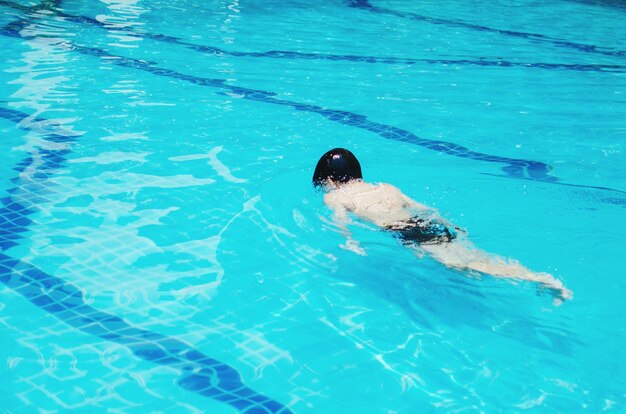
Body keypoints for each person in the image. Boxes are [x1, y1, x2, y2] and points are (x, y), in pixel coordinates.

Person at [313, 148, 572, 302]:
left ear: (332, 180)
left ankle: (536, 278)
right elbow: (424, 208)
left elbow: (340, 221)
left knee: (462, 264)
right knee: (471, 259)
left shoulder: (336, 196)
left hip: (406, 231)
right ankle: (529, 276)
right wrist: (451, 224)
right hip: (429, 223)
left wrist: (350, 243)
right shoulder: (385, 186)